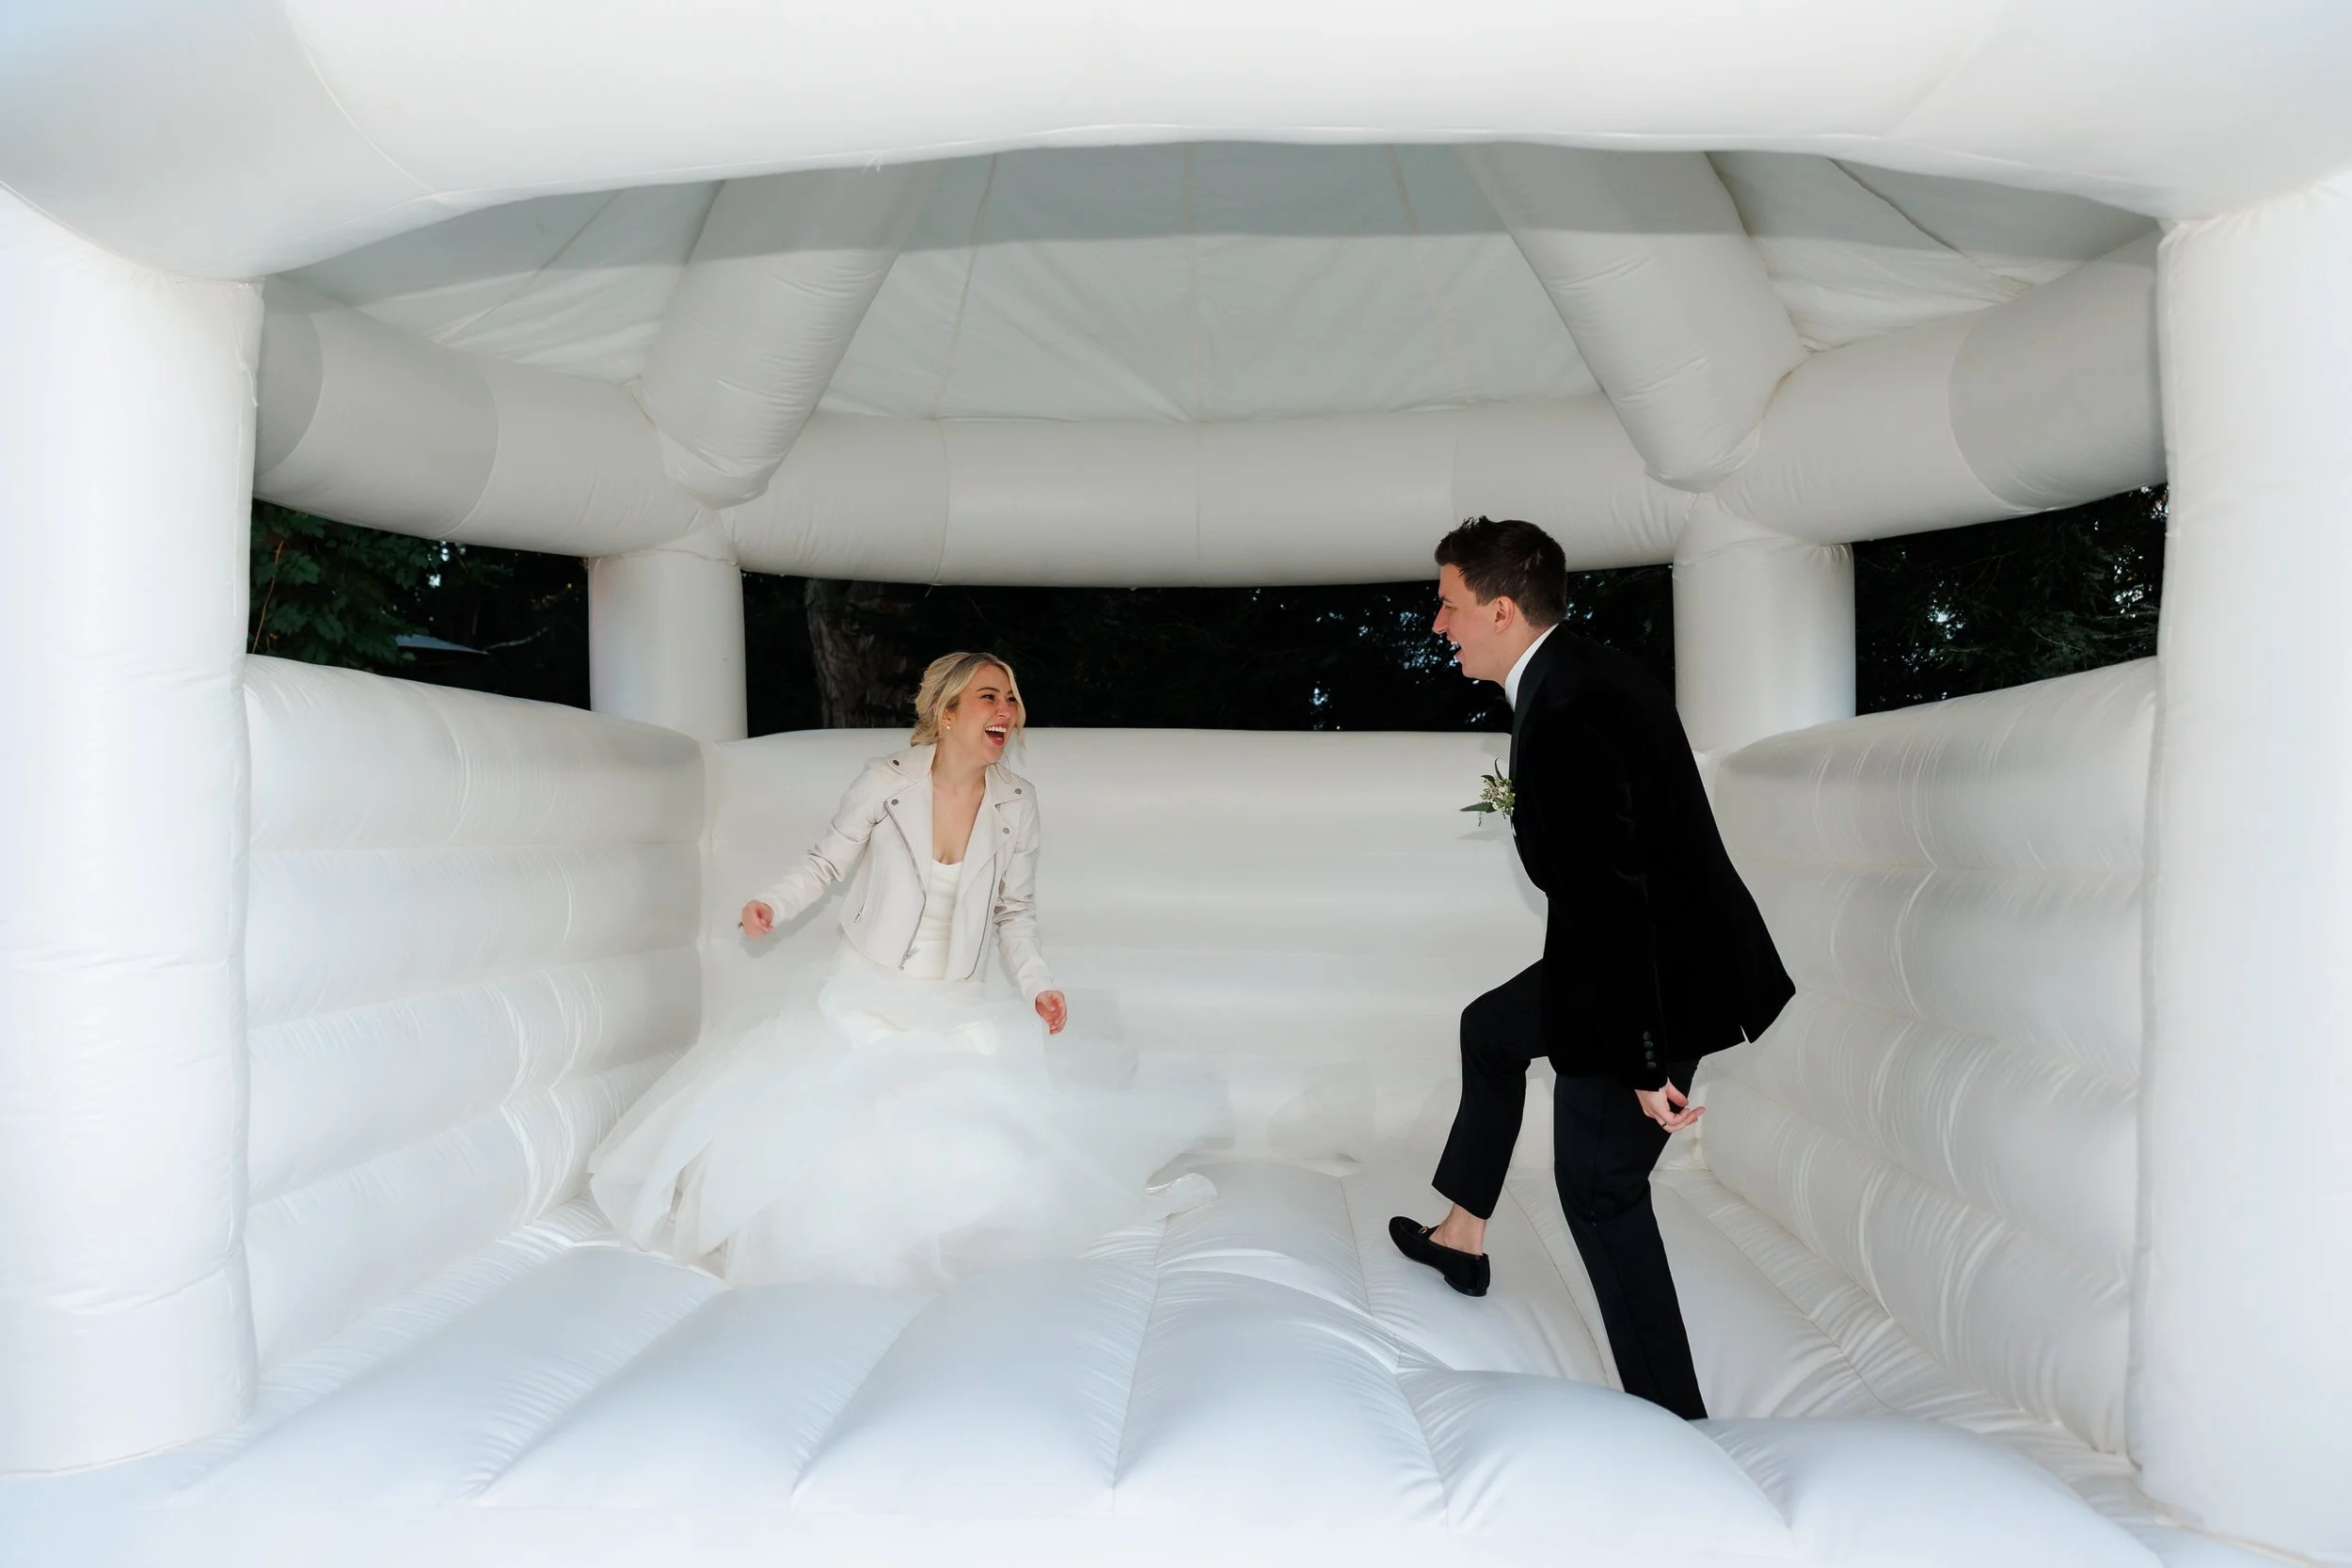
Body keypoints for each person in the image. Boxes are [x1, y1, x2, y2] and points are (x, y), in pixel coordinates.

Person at [590, 651, 1222, 1292]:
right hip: (868, 994)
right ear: (947, 712)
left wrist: (1039, 985)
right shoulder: (885, 781)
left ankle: (948, 1247)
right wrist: (771, 904)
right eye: (988, 697)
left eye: (1010, 697)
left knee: (974, 1147)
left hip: (957, 1003)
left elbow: (1015, 912)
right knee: (845, 1140)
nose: (1006, 709)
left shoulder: (1017, 803)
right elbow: (825, 862)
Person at [1389, 518, 1793, 1418]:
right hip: (1621, 952)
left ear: (1498, 609)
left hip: (1656, 976)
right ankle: (1463, 1234)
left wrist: (1646, 1062)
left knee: (1601, 1192)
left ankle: (1677, 1420)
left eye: (1449, 606)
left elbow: (1618, 909)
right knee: (1490, 1030)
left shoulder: (1568, 710)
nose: (1438, 624)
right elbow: (1605, 885)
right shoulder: (1575, 669)